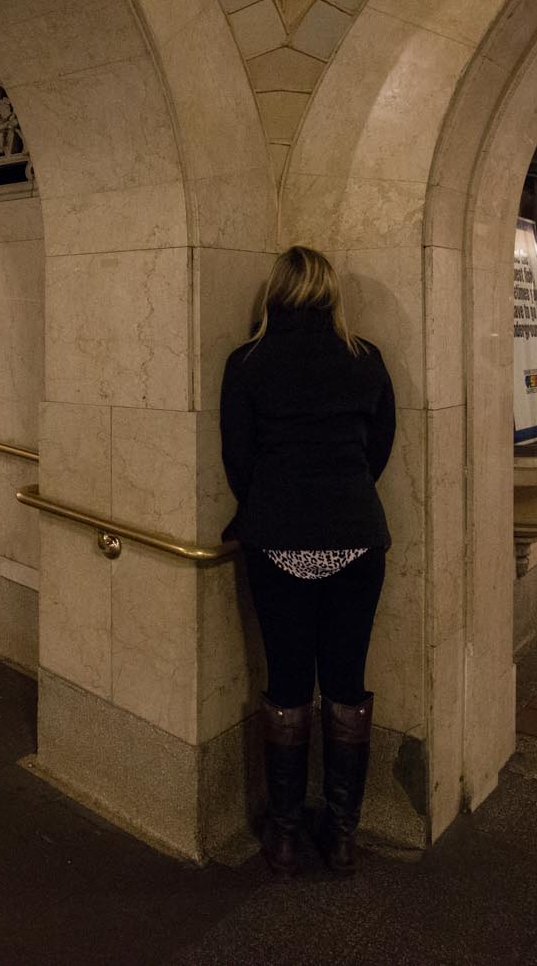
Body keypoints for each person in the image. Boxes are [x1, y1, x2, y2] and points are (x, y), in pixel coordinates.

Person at [221, 245, 396, 875]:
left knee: (288, 681)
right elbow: (380, 445)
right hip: (356, 536)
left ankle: (287, 831)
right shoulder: (364, 357)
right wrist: (342, 496)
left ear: (275, 292)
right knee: (346, 682)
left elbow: (237, 457)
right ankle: (343, 833)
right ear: (329, 293)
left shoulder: (247, 363)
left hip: (277, 540)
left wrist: (275, 505)